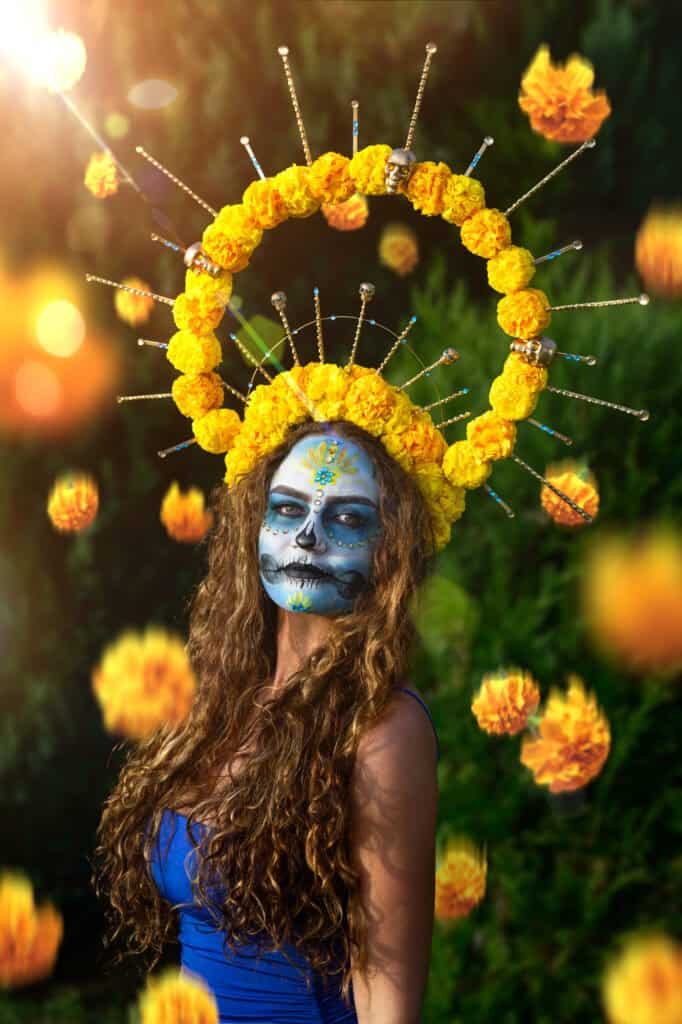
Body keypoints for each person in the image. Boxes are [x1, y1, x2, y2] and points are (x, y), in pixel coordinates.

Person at [93, 416, 440, 1024]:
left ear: (390, 547)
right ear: (254, 522)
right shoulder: (216, 700)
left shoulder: (383, 729)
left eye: (347, 518)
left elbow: (387, 996)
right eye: (287, 508)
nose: (307, 537)